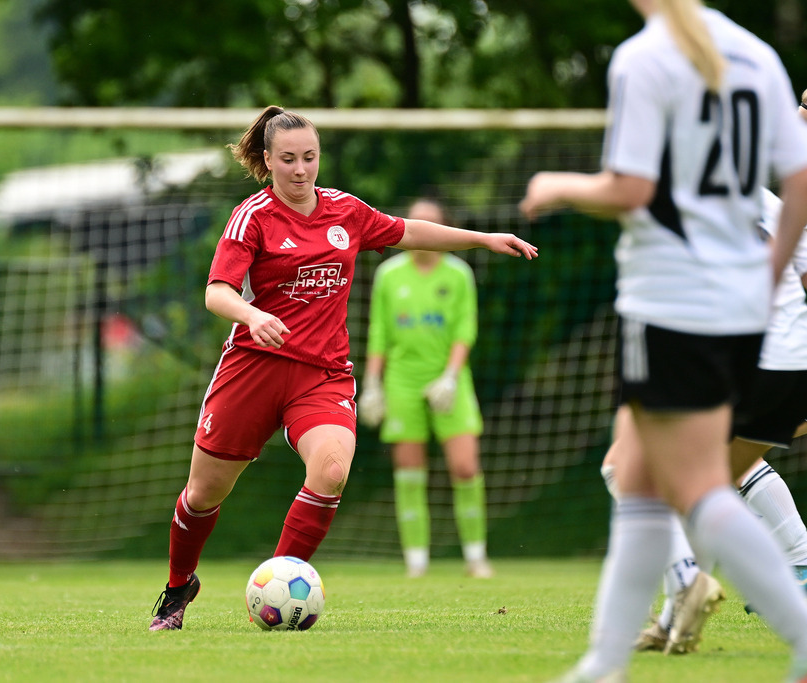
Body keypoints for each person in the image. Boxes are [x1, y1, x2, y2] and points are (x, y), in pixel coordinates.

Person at [148, 105, 538, 631]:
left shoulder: (344, 212)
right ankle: (178, 587)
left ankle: (277, 585)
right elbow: (217, 292)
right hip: (254, 367)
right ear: (267, 160)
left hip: (321, 373)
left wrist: (481, 238)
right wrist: (252, 313)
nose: (301, 169)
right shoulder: (253, 217)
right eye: (288, 159)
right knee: (202, 495)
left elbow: (409, 231)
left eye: (310, 157)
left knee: (331, 471)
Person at [518, 0, 807, 680]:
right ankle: (604, 662)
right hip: (740, 311)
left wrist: (556, 184)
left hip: (674, 302)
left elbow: (630, 188)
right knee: (644, 480)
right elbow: (797, 187)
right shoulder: (757, 55)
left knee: (686, 489)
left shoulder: (647, 56)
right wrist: (769, 281)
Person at [358, 198, 492, 579]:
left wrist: (450, 375)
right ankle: (416, 561)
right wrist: (372, 385)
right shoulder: (389, 274)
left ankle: (476, 556)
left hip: (450, 379)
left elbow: (465, 329)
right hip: (402, 380)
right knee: (408, 470)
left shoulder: (459, 273)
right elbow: (380, 333)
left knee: (465, 467)